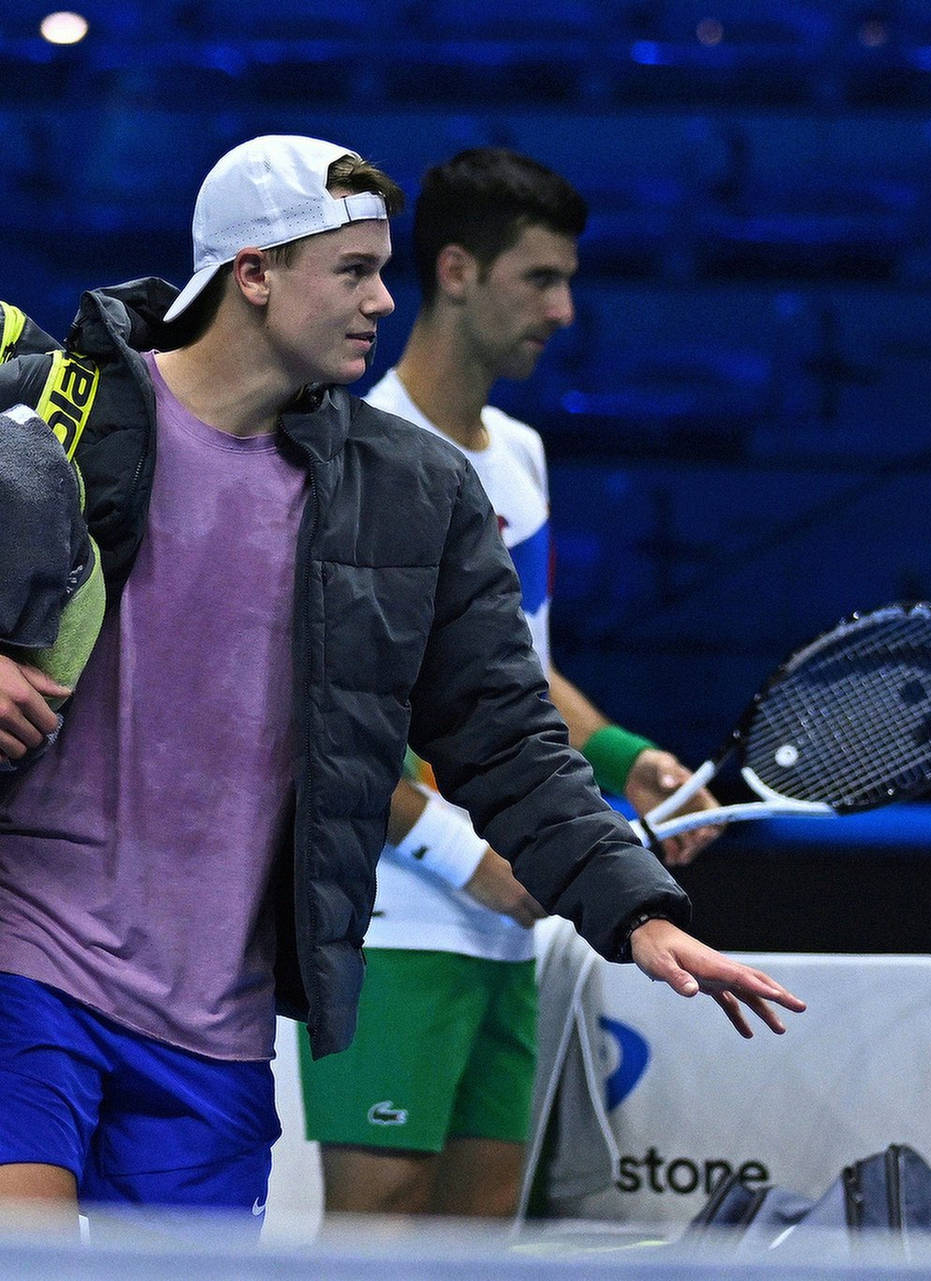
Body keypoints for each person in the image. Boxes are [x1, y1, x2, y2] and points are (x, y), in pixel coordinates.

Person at [0, 134, 803, 1235]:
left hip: (216, 1024)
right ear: (254, 273)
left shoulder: (418, 494)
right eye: (353, 271)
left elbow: (505, 737)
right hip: (16, 961)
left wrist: (638, 913)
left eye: (382, 268)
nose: (381, 298)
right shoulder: (52, 413)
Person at [297, 147, 728, 1222]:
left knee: (480, 1240)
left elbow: (510, 671)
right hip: (388, 918)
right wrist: (473, 855)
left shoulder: (523, 456)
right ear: (454, 270)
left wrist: (626, 760)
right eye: (540, 278)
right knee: (376, 1240)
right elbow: (325, 715)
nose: (565, 308)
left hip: (505, 920)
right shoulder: (355, 452)